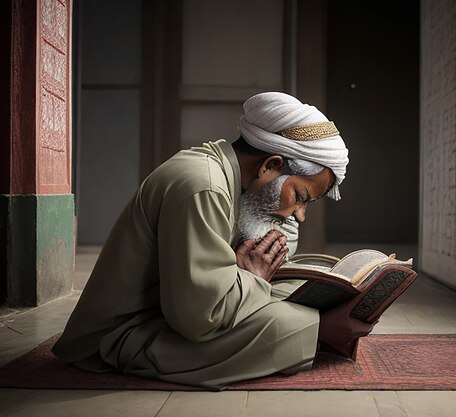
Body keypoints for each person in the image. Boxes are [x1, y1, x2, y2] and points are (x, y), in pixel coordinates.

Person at [53, 92, 375, 389]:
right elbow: (199, 318)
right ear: (271, 165)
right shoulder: (203, 185)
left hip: (179, 308)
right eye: (301, 196)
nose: (300, 215)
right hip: (124, 335)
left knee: (294, 287)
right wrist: (251, 278)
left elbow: (278, 254)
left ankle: (313, 325)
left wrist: (254, 271)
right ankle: (321, 332)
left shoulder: (248, 187)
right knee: (287, 324)